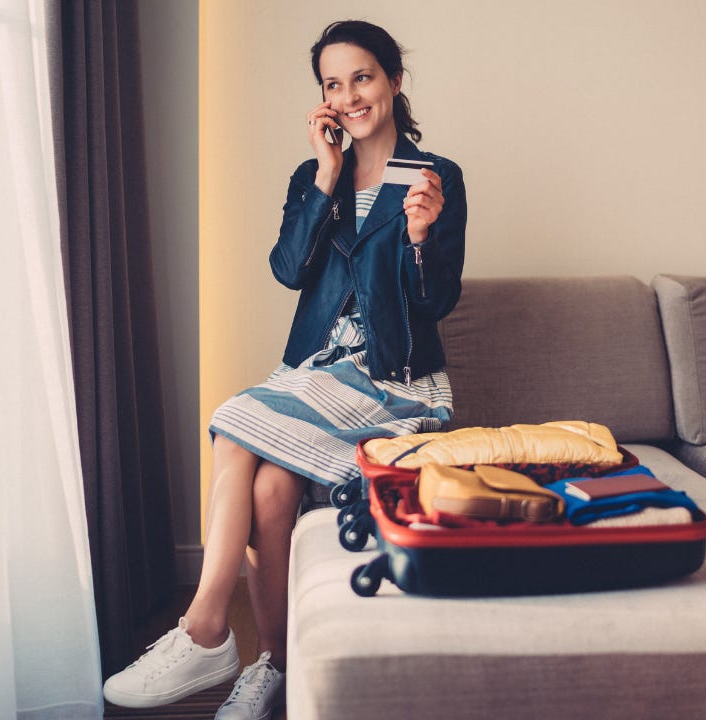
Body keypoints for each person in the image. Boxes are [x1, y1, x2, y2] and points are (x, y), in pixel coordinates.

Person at [102, 20, 466, 720]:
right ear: (324, 100)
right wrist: (327, 175)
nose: (350, 94)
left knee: (234, 421)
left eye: (362, 76)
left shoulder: (434, 177)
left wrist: (420, 238)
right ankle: (274, 666)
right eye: (334, 83)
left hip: (392, 380)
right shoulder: (313, 176)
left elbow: (435, 302)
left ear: (394, 80)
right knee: (271, 491)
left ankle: (205, 627)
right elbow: (287, 269)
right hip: (315, 375)